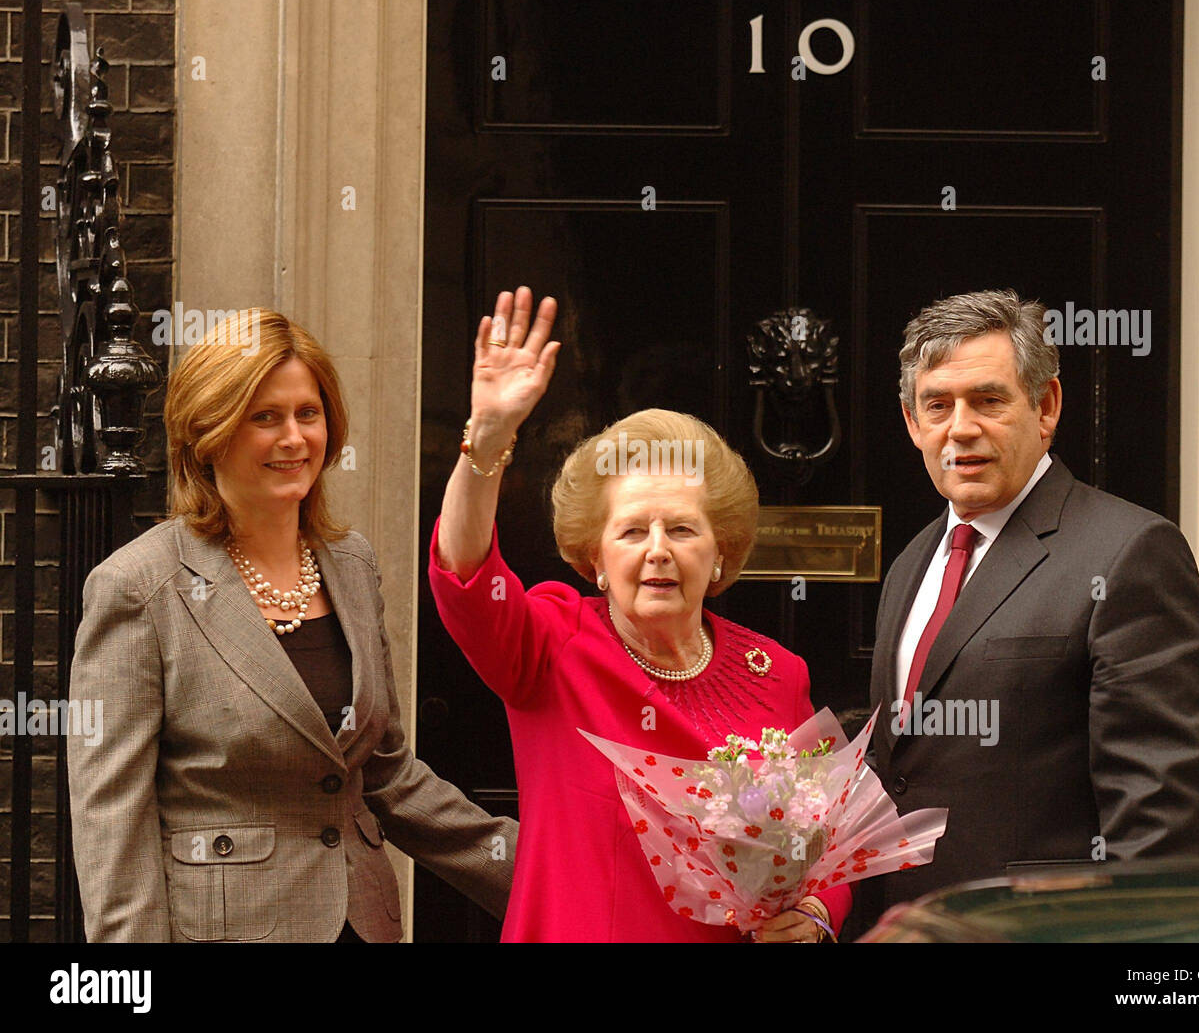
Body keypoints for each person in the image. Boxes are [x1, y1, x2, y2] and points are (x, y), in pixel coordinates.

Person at [69, 310, 517, 942]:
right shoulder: (138, 588)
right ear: (209, 432)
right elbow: (113, 821)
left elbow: (386, 773)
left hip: (364, 925)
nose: (294, 438)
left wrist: (544, 872)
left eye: (309, 413)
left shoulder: (351, 565)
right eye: (265, 417)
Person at [429, 287, 852, 942]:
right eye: (631, 533)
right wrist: (487, 441)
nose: (658, 552)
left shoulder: (777, 673)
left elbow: (826, 843)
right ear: (595, 557)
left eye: (682, 530)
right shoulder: (552, 644)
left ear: (719, 555)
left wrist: (816, 912)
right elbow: (464, 574)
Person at [860, 288, 1199, 921]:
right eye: (937, 405)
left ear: (1046, 406)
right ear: (913, 423)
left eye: (989, 400)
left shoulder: (1129, 552)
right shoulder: (915, 561)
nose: (960, 427)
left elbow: (1156, 811)